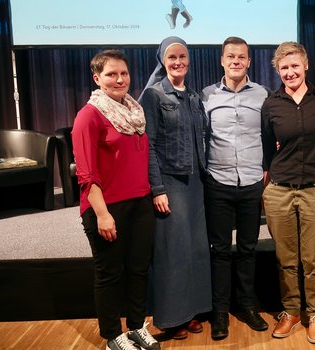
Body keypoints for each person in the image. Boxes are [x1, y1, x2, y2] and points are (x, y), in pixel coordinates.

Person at [72, 50, 159, 350]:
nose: (119, 79)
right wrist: (102, 214)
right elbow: (86, 174)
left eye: (123, 73)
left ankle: (136, 326)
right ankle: (112, 335)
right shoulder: (88, 116)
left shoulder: (135, 113)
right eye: (111, 74)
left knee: (138, 269)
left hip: (140, 203)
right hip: (105, 207)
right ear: (97, 79)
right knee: (109, 273)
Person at [139, 36, 211, 340]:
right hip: (170, 182)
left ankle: (192, 311)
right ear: (162, 61)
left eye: (182, 56)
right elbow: (148, 146)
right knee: (173, 252)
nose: (178, 62)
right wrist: (157, 188)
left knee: (195, 249)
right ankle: (171, 318)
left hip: (196, 183)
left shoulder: (194, 96)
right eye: (172, 58)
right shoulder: (153, 96)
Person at [261, 41, 315, 345]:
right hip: (280, 190)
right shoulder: (271, 104)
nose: (290, 72)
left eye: (294, 66)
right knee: (286, 258)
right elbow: (267, 149)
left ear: (305, 66)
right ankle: (290, 311)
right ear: (278, 70)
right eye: (284, 67)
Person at [200, 36, 269, 340]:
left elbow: (270, 138)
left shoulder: (263, 95)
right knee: (219, 251)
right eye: (231, 56)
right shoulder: (207, 96)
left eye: (242, 57)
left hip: (253, 182)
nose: (236, 61)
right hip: (219, 182)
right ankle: (219, 312)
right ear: (222, 60)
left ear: (249, 61)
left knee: (248, 249)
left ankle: (247, 306)